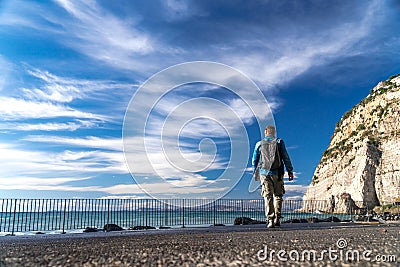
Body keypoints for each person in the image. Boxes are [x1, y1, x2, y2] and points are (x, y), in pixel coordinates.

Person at [252, 125, 294, 228]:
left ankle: (270, 220)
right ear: (274, 133)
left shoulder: (259, 144)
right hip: (278, 173)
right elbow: (285, 157)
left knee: (268, 196)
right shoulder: (279, 142)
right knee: (278, 196)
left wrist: (255, 172)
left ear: (266, 132)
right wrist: (290, 171)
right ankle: (277, 219)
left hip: (264, 173)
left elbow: (254, 160)